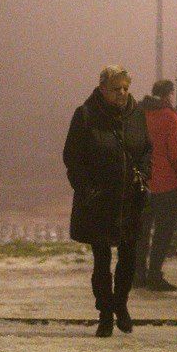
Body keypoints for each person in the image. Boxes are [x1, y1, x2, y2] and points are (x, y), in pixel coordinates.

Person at [63, 66, 151, 337]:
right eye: (116, 89)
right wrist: (87, 189)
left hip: (130, 198)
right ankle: (105, 312)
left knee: (128, 256)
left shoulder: (137, 114)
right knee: (101, 259)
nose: (122, 93)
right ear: (103, 89)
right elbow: (72, 158)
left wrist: (145, 174)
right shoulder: (86, 115)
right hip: (99, 200)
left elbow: (147, 149)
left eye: (125, 88)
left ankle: (120, 304)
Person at [136, 79, 177, 292]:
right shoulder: (170, 118)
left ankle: (137, 275)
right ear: (169, 94)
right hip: (164, 183)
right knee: (163, 231)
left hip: (139, 182)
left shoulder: (136, 116)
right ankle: (154, 275)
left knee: (140, 230)